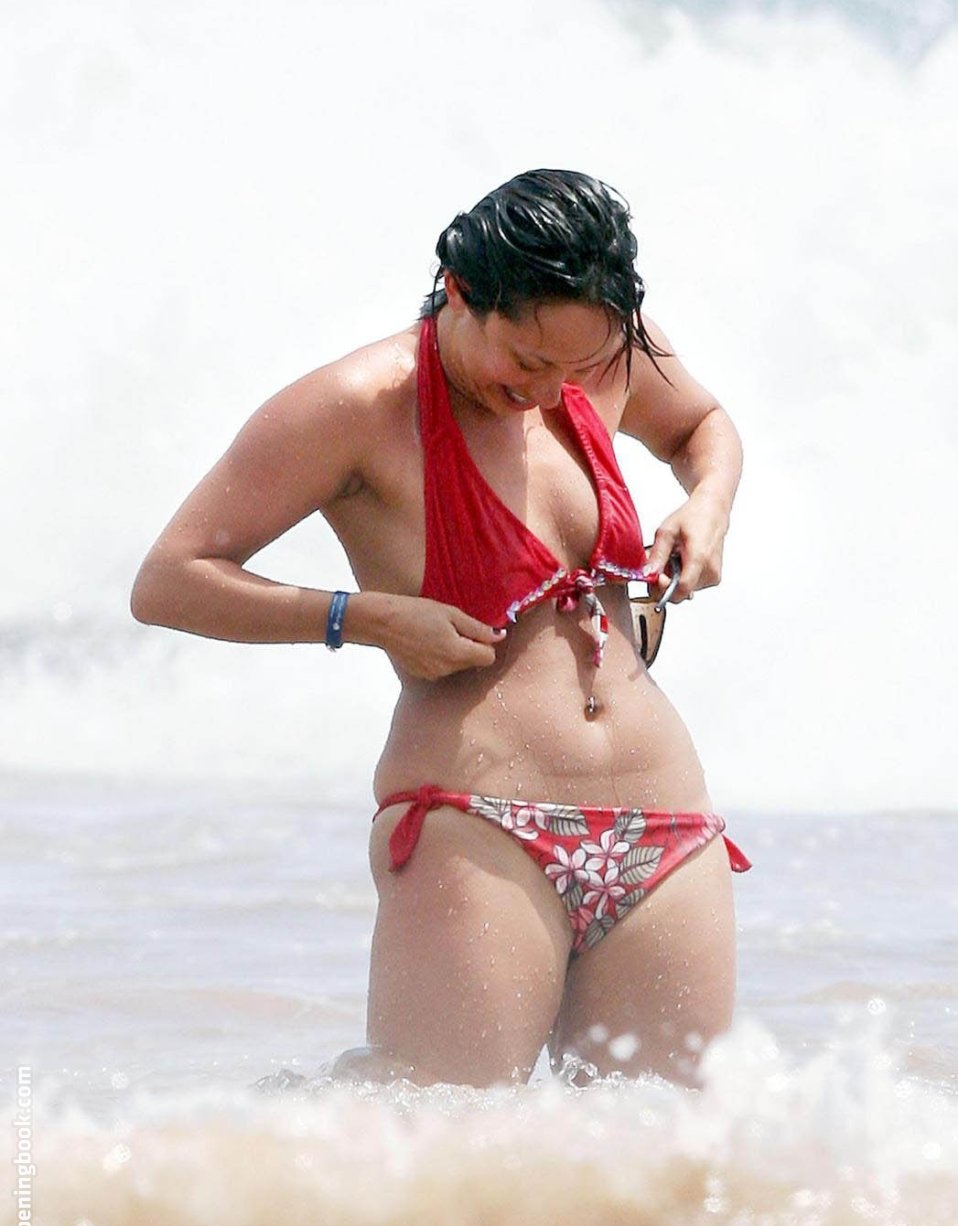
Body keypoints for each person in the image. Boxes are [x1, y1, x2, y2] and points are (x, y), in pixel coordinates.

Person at [131, 169, 749, 1088]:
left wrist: (707, 506)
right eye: (527, 362)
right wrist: (361, 618)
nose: (551, 391)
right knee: (434, 1133)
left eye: (576, 369)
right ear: (460, 291)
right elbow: (171, 580)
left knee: (670, 1151)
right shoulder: (355, 408)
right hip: (476, 822)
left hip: (664, 825)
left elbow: (701, 423)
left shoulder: (606, 348)